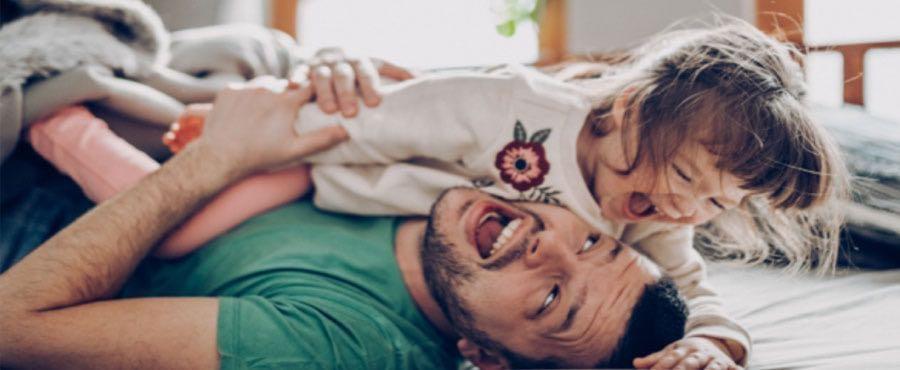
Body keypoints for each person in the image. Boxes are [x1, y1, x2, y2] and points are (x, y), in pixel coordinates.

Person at [26, 19, 851, 368]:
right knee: (219, 138)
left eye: (712, 209)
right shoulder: (518, 110)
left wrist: (720, 346)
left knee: (178, 228)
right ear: (631, 113)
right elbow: (392, 116)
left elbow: (700, 292)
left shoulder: (650, 232)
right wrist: (267, 123)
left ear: (488, 359)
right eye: (680, 184)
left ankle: (76, 138)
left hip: (318, 192)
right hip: (328, 162)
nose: (680, 217)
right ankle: (111, 116)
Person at [0, 83, 692, 369]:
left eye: (550, 301)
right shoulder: (475, 184)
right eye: (593, 244)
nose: (550, 248)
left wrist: (219, 157)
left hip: (37, 220)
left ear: (488, 360)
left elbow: (11, 327)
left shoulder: (341, 346)